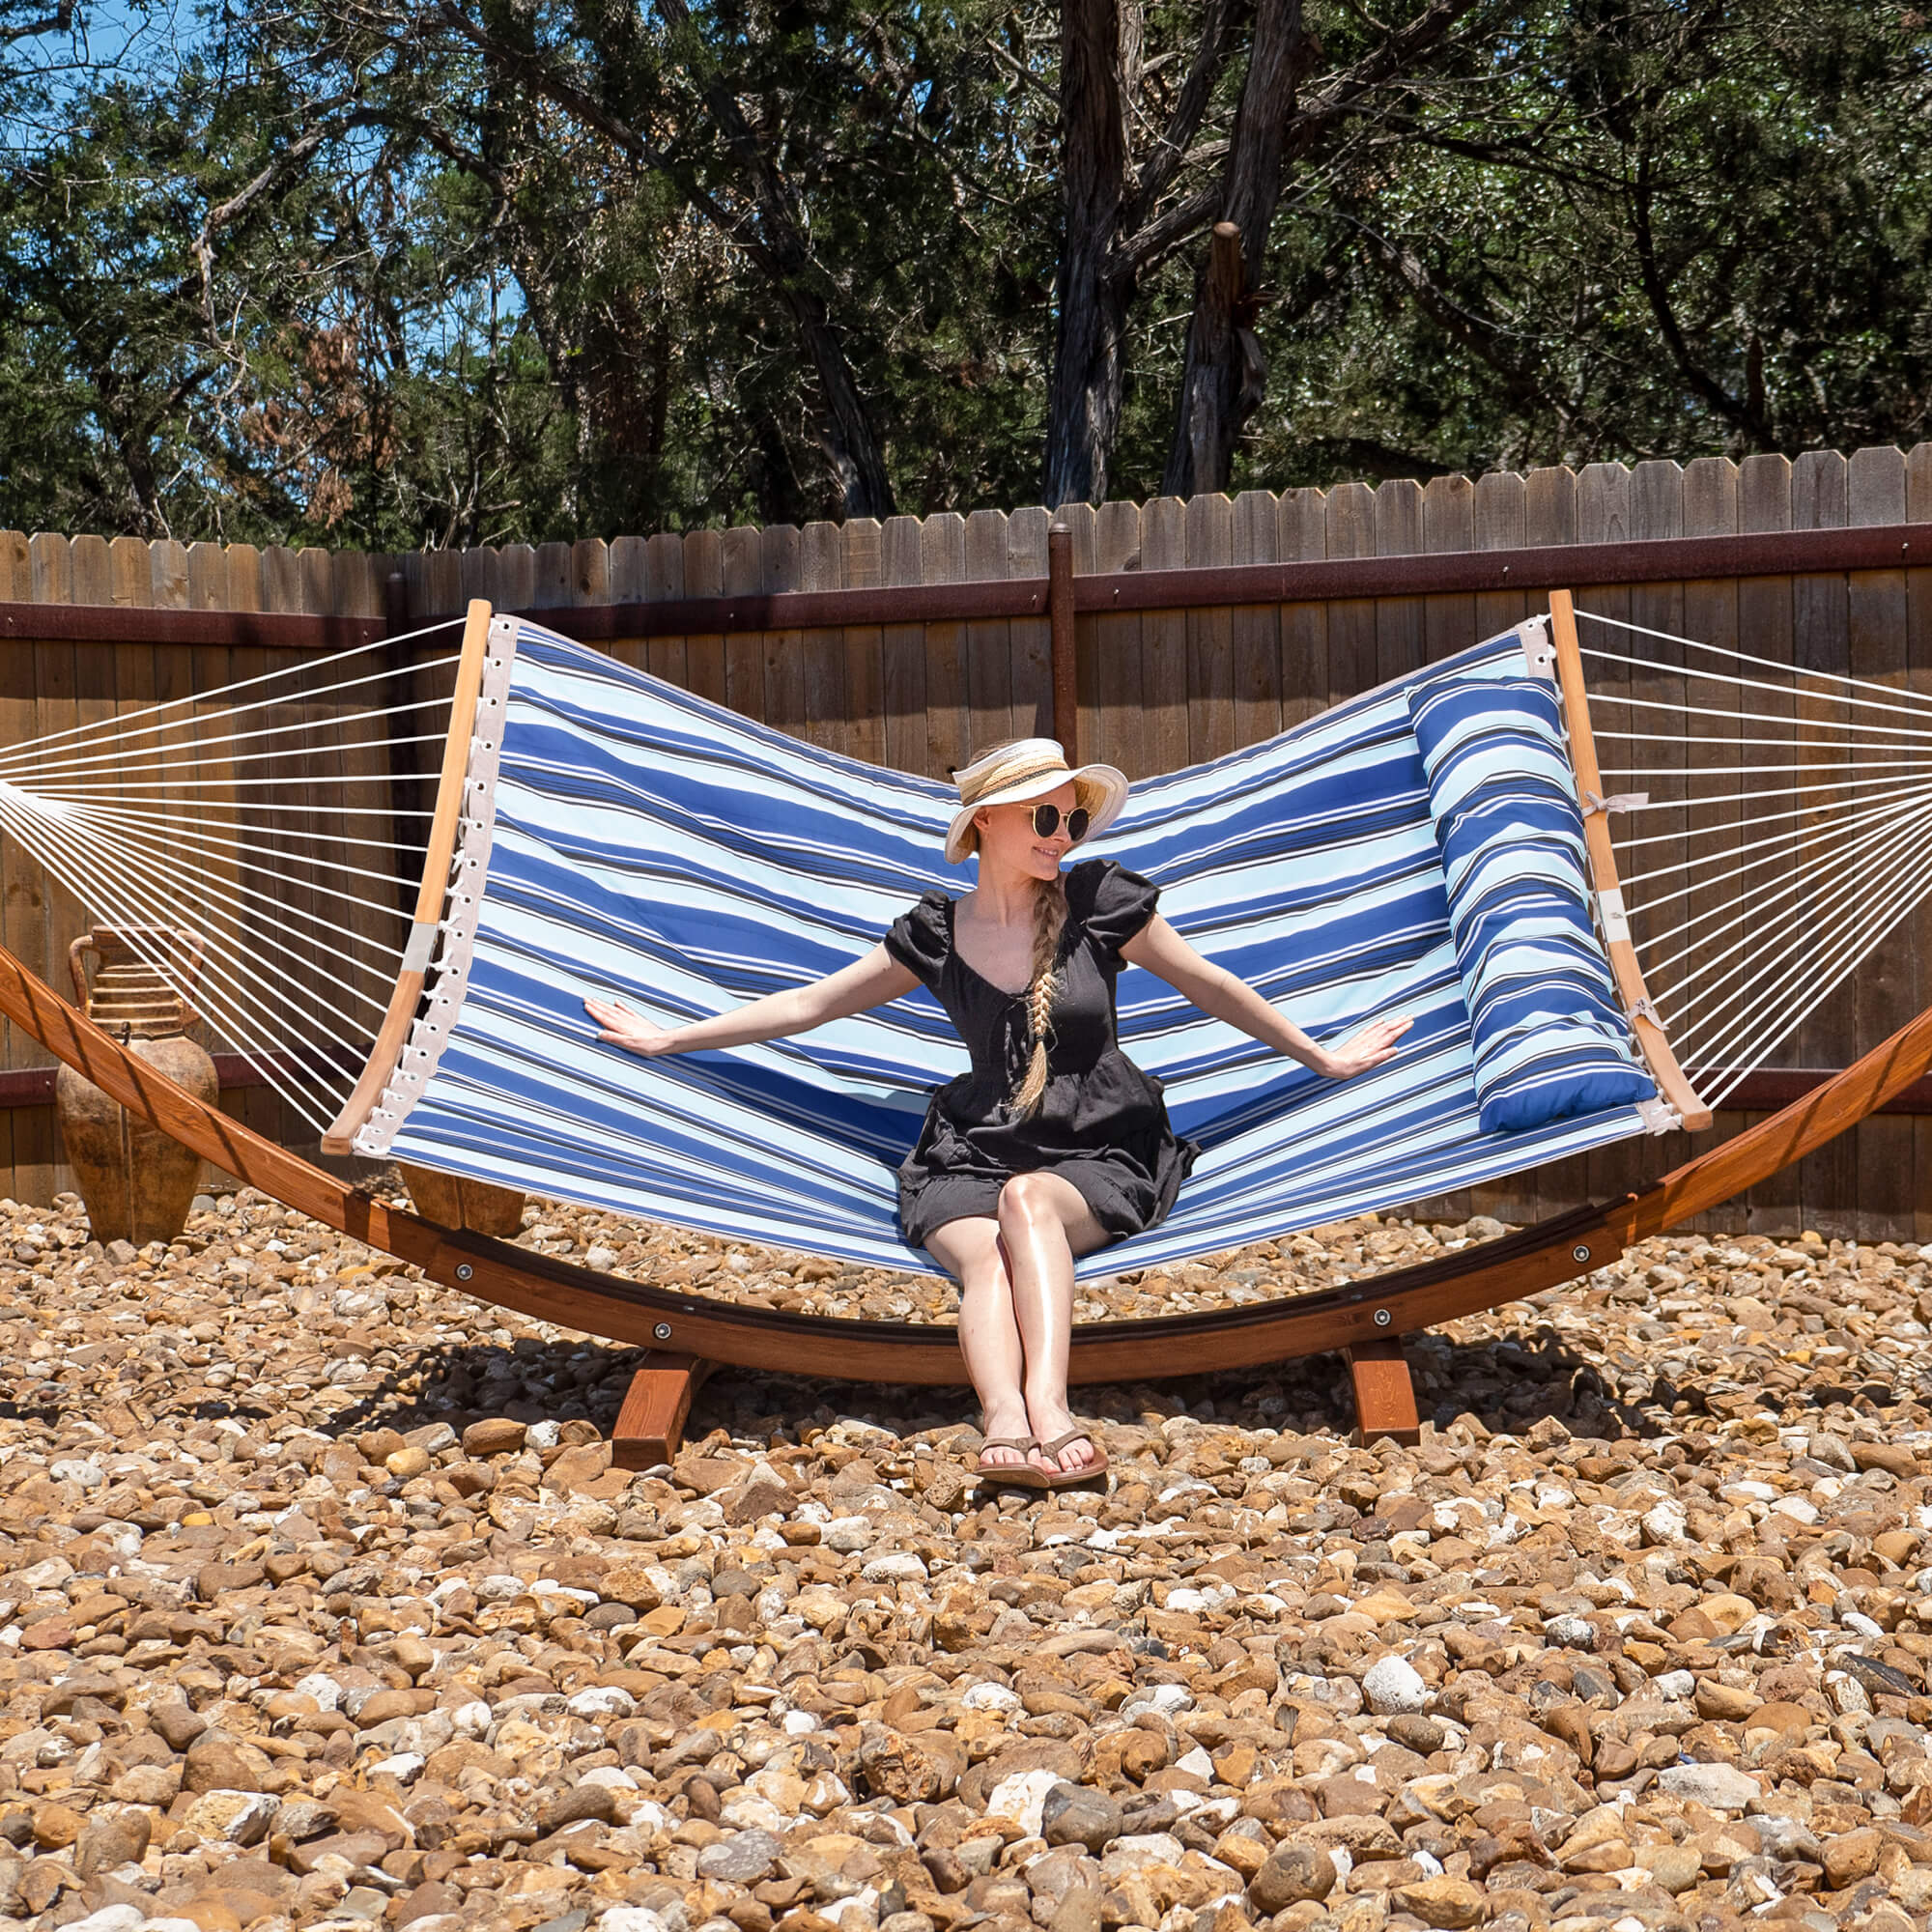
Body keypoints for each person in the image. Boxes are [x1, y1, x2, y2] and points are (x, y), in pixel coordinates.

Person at [584, 739, 1409, 1489]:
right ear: (986, 821)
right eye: (1045, 816)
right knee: (987, 1259)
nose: (1062, 834)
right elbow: (811, 1005)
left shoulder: (1099, 902)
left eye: (1072, 818)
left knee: (1026, 1205)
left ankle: (1048, 1408)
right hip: (971, 1145)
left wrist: (1321, 1055)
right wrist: (670, 1040)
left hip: (1100, 1141)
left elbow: (1212, 983)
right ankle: (1003, 1420)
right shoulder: (936, 933)